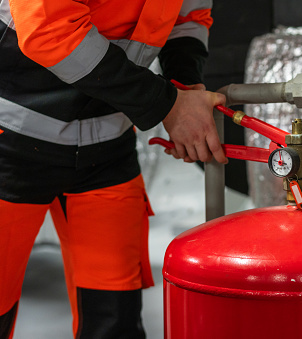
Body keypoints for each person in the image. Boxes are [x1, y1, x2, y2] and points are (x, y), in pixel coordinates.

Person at [0, 0, 227, 337]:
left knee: (114, 322)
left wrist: (184, 88)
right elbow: (49, 28)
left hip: (106, 148)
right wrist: (166, 105)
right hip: (9, 139)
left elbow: (187, 17)